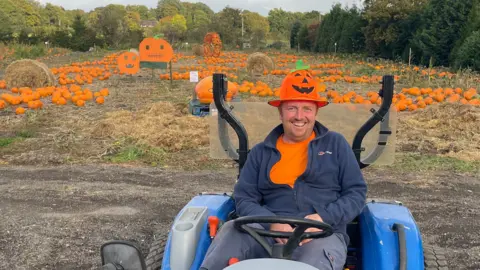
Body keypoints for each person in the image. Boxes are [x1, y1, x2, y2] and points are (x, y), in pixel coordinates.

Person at [200, 63, 367, 270]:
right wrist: (273, 222)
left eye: (307, 108)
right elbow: (244, 198)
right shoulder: (261, 153)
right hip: (264, 232)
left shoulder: (336, 145)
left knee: (314, 260)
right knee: (232, 230)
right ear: (280, 112)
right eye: (292, 108)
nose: (299, 116)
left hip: (321, 232)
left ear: (316, 112)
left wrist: (324, 217)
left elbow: (356, 193)